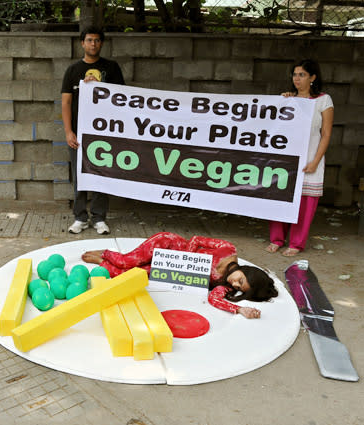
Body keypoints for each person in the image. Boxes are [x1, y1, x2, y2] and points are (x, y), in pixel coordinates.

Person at [82, 232, 278, 319]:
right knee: (128, 261)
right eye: (240, 280)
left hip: (169, 271)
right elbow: (196, 239)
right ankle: (106, 253)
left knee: (125, 275)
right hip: (170, 245)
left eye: (238, 288)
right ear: (245, 270)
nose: (234, 283)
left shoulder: (224, 285)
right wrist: (185, 260)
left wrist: (239, 309)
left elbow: (214, 298)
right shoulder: (228, 249)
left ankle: (103, 262)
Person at [265, 59, 334, 257]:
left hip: (311, 159)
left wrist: (315, 161)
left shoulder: (323, 100)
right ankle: (277, 239)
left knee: (305, 204)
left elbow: (326, 134)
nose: (297, 79)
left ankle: (296, 243)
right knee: (279, 199)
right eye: (295, 74)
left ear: (313, 77)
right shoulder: (287, 100)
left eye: (302, 75)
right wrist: (283, 102)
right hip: (286, 160)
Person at [61, 26, 125, 235]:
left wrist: (100, 87)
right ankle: (80, 217)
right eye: (89, 40)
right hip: (79, 133)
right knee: (79, 176)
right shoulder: (72, 70)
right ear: (82, 43)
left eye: (97, 41)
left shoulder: (112, 68)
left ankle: (99, 218)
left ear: (102, 43)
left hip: (104, 133)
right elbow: (66, 102)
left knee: (101, 175)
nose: (93, 44)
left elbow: (122, 99)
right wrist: (69, 132)